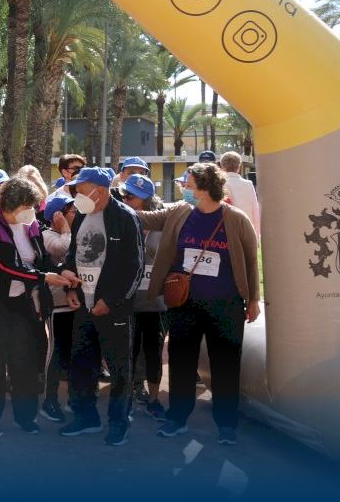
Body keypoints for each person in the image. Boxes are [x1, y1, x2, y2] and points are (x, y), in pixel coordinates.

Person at [136, 163, 260, 445]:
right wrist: (110, 202)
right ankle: (177, 418)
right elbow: (144, 218)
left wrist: (253, 299)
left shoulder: (236, 219)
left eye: (188, 185)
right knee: (181, 362)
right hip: (185, 304)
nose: (184, 189)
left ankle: (226, 425)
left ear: (204, 188)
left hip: (225, 305)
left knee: (225, 365)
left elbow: (251, 261)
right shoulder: (180, 211)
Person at [0, 178, 71, 437]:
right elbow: (4, 268)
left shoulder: (32, 225)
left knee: (25, 363)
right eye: (28, 206)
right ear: (11, 204)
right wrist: (44, 278)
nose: (32, 211)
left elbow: (44, 260)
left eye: (33, 206)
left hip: (24, 304)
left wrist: (62, 271)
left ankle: (26, 417)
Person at [56, 168, 145, 446]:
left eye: (81, 190)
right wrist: (70, 285)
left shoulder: (126, 217)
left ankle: (119, 423)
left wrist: (111, 300)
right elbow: (74, 253)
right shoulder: (82, 215)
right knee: (82, 363)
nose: (77, 196)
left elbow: (135, 267)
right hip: (84, 305)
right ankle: (86, 417)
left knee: (119, 369)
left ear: (100, 189)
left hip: (114, 309)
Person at [118, 174, 169, 421]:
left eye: (131, 196)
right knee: (129, 349)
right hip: (128, 299)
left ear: (146, 200)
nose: (125, 199)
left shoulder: (163, 224)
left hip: (156, 302)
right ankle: (130, 393)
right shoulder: (123, 222)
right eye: (124, 195)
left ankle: (154, 398)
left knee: (153, 351)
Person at [40, 192, 76, 422]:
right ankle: (49, 400)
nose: (76, 213)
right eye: (72, 211)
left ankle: (73, 398)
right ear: (57, 216)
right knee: (56, 352)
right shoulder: (47, 235)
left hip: (74, 303)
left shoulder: (72, 232)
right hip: (57, 305)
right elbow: (63, 248)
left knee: (72, 352)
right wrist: (65, 227)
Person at [219, 152, 260, 238]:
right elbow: (255, 210)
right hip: (248, 229)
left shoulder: (220, 184)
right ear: (239, 167)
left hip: (228, 232)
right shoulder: (248, 184)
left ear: (222, 167)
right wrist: (256, 235)